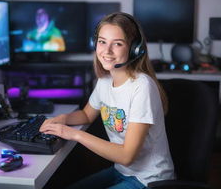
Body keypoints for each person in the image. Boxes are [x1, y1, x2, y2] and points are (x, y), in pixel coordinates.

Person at [40, 12, 175, 189]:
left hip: (149, 180)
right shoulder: (104, 82)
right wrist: (62, 119)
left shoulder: (142, 86)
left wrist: (74, 134)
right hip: (122, 171)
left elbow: (127, 155)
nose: (107, 51)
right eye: (102, 42)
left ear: (134, 48)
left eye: (117, 44)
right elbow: (87, 115)